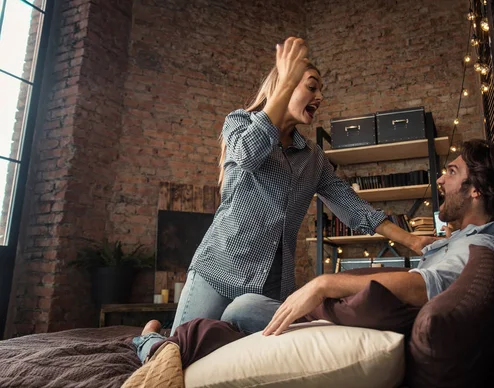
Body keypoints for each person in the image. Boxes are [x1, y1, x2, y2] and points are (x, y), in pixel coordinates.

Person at [133, 36, 436, 362]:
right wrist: (286, 82)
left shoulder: (314, 158)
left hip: (271, 286)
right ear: (286, 86)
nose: (319, 97)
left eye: (320, 90)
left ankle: (155, 338)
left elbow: (352, 207)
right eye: (311, 86)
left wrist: (413, 241)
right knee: (176, 356)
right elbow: (248, 155)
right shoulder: (240, 122)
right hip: (217, 270)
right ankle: (148, 338)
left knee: (239, 359)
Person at [262, 139, 494, 336]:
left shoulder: (480, 246)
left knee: (246, 310)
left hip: (358, 326)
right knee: (249, 307)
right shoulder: (466, 238)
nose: (440, 179)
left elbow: (424, 285)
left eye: (452, 172)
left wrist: (324, 284)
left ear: (476, 189)